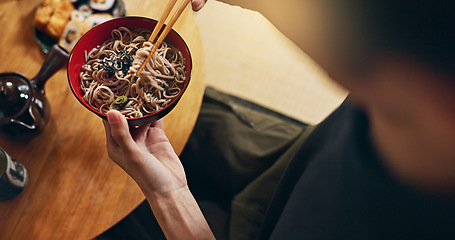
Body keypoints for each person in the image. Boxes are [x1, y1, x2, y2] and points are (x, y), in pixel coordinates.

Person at [103, 0, 455, 239]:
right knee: (201, 119)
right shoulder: (416, 81)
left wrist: (169, 196)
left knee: (113, 222)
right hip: (294, 161)